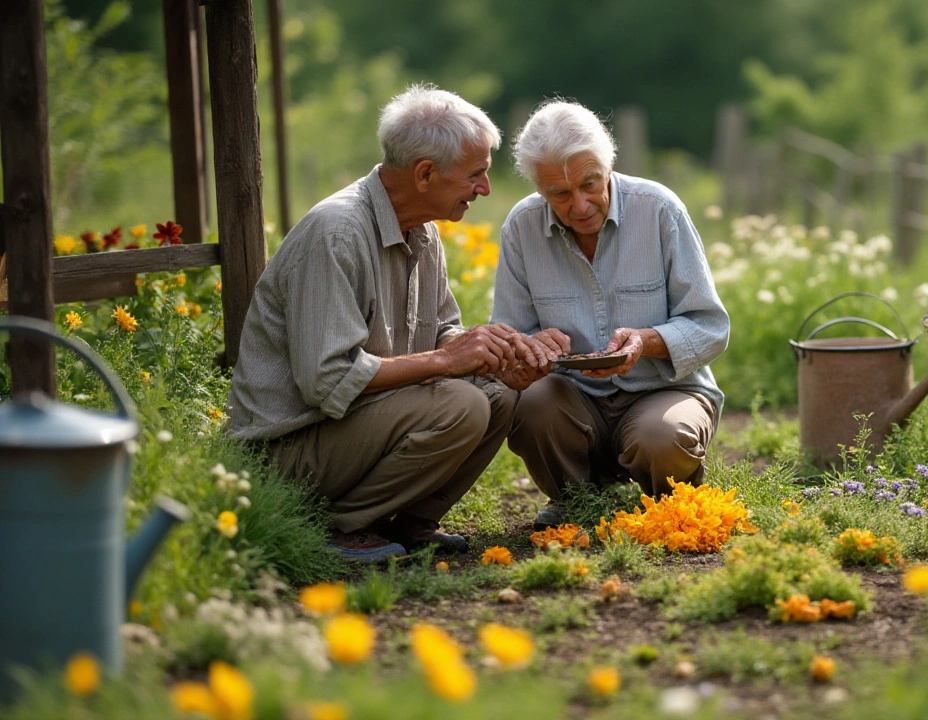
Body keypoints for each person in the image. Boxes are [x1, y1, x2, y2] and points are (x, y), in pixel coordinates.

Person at [226, 85, 562, 563]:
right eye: (476, 175)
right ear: (425, 173)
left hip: (353, 429)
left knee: (499, 394)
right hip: (285, 451)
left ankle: (411, 521)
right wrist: (448, 360)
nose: (485, 189)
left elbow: (443, 332)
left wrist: (492, 355)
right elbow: (328, 379)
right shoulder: (337, 233)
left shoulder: (422, 229)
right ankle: (335, 525)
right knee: (461, 405)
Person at [492, 100, 730, 529]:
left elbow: (710, 327)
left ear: (610, 165)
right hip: (572, 401)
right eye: (559, 194)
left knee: (662, 438)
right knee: (529, 403)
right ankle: (575, 499)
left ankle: (670, 502)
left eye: (590, 184)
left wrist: (646, 341)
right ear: (538, 188)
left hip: (664, 389)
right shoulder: (522, 227)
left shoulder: (659, 210)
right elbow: (509, 335)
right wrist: (530, 347)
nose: (580, 205)